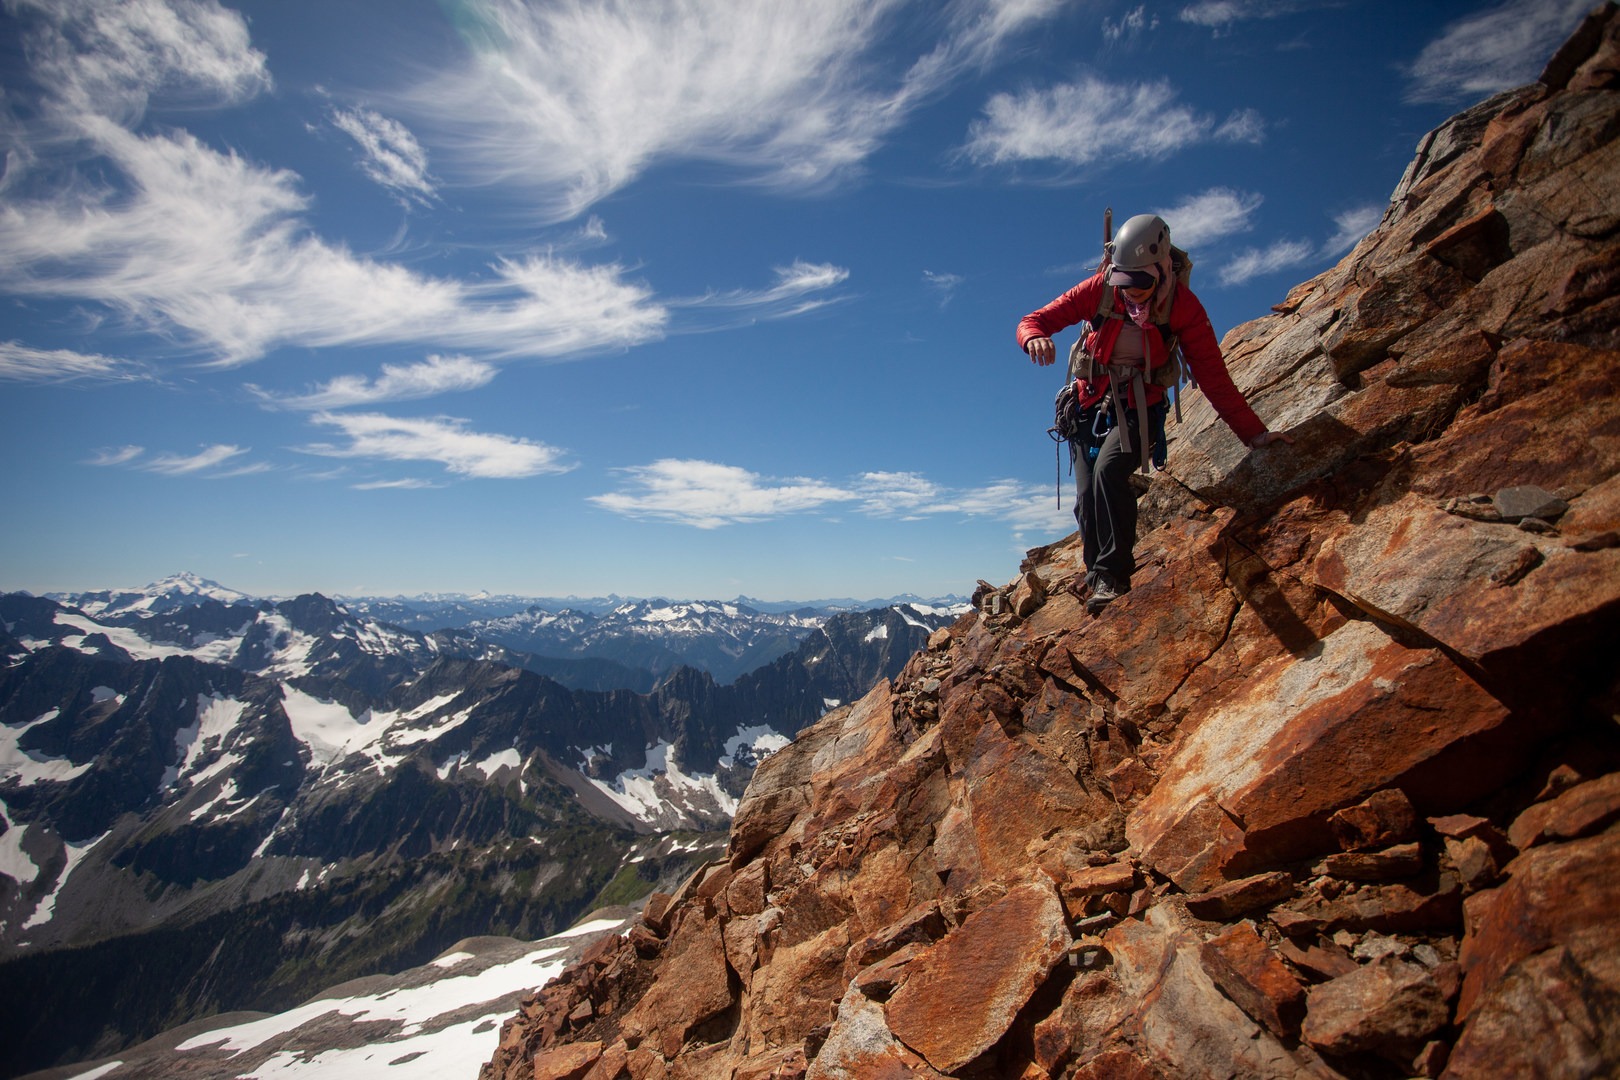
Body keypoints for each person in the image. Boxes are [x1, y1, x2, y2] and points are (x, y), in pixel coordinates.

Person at [1017, 213, 1292, 614]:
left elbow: (1214, 379)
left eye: (1140, 285)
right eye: (1123, 284)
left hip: (1139, 409)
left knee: (1110, 473)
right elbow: (1033, 320)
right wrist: (1034, 338)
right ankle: (1096, 576)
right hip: (1087, 406)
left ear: (1162, 269)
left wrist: (1254, 435)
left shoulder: (1184, 308)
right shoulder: (1100, 290)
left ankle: (1113, 577)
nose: (1130, 294)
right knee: (1086, 499)